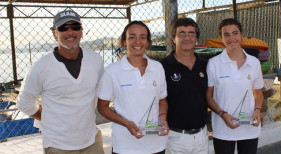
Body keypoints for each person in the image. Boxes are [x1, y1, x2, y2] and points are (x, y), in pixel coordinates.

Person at [17, 10, 105, 154]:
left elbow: (100, 91)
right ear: (54, 33)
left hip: (91, 140)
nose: (70, 32)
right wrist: (48, 119)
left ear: (81, 32)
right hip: (58, 145)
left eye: (75, 27)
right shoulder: (41, 67)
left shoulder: (95, 59)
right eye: (63, 28)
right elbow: (24, 103)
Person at [97, 20, 169, 154]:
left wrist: (162, 118)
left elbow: (162, 100)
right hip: (125, 146)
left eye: (143, 37)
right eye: (132, 37)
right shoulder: (112, 71)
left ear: (147, 42)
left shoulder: (158, 68)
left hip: (156, 145)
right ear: (124, 41)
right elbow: (102, 107)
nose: (138, 41)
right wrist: (126, 123)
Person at [206, 18, 264, 154]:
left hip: (249, 128)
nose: (231, 38)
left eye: (235, 33)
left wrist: (257, 110)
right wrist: (222, 114)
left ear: (241, 35)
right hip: (223, 129)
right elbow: (208, 97)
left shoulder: (254, 63)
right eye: (226, 35)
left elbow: (258, 93)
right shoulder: (213, 63)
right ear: (221, 38)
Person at [160, 18, 209, 154]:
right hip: (175, 137)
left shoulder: (206, 66)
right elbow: (158, 99)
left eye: (191, 33)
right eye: (181, 33)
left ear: (196, 38)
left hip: (202, 136)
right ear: (173, 38)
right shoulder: (162, 67)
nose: (186, 37)